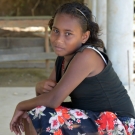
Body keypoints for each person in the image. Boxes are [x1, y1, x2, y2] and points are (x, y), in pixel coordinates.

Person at [10, 2, 135, 135]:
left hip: (120, 124)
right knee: (31, 114)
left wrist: (20, 105)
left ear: (84, 36)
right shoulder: (62, 59)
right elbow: (47, 99)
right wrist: (39, 87)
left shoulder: (87, 56)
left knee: (38, 116)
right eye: (56, 31)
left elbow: (53, 100)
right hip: (95, 117)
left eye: (68, 34)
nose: (59, 40)